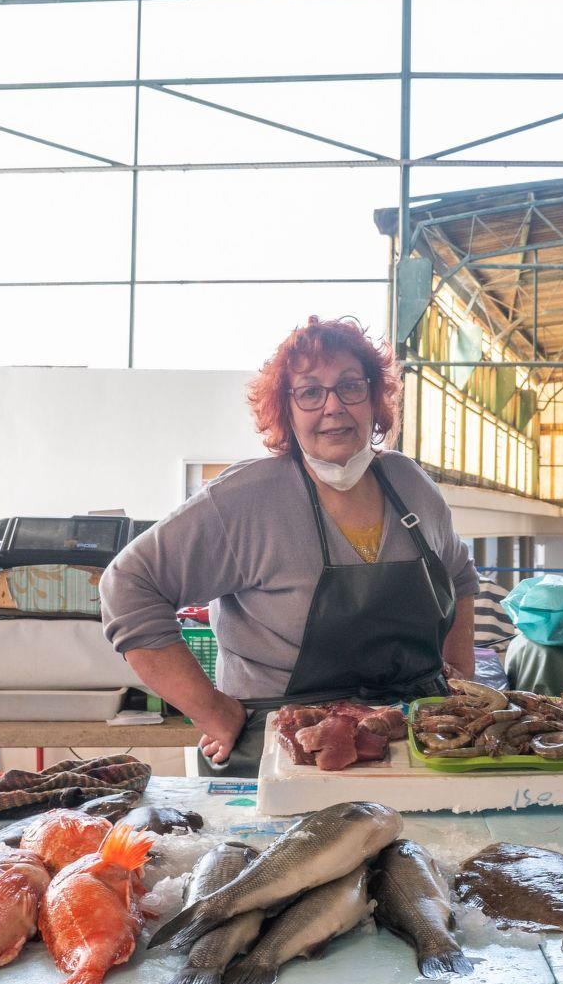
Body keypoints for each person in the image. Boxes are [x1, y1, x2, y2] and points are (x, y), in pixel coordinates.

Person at [101, 316, 477, 773]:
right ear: (286, 408)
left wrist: (458, 681)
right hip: (286, 748)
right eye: (310, 392)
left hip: (412, 742)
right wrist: (211, 710)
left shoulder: (410, 484)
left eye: (350, 386)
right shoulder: (246, 499)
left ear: (374, 398)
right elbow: (128, 585)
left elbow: (459, 576)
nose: (333, 406)